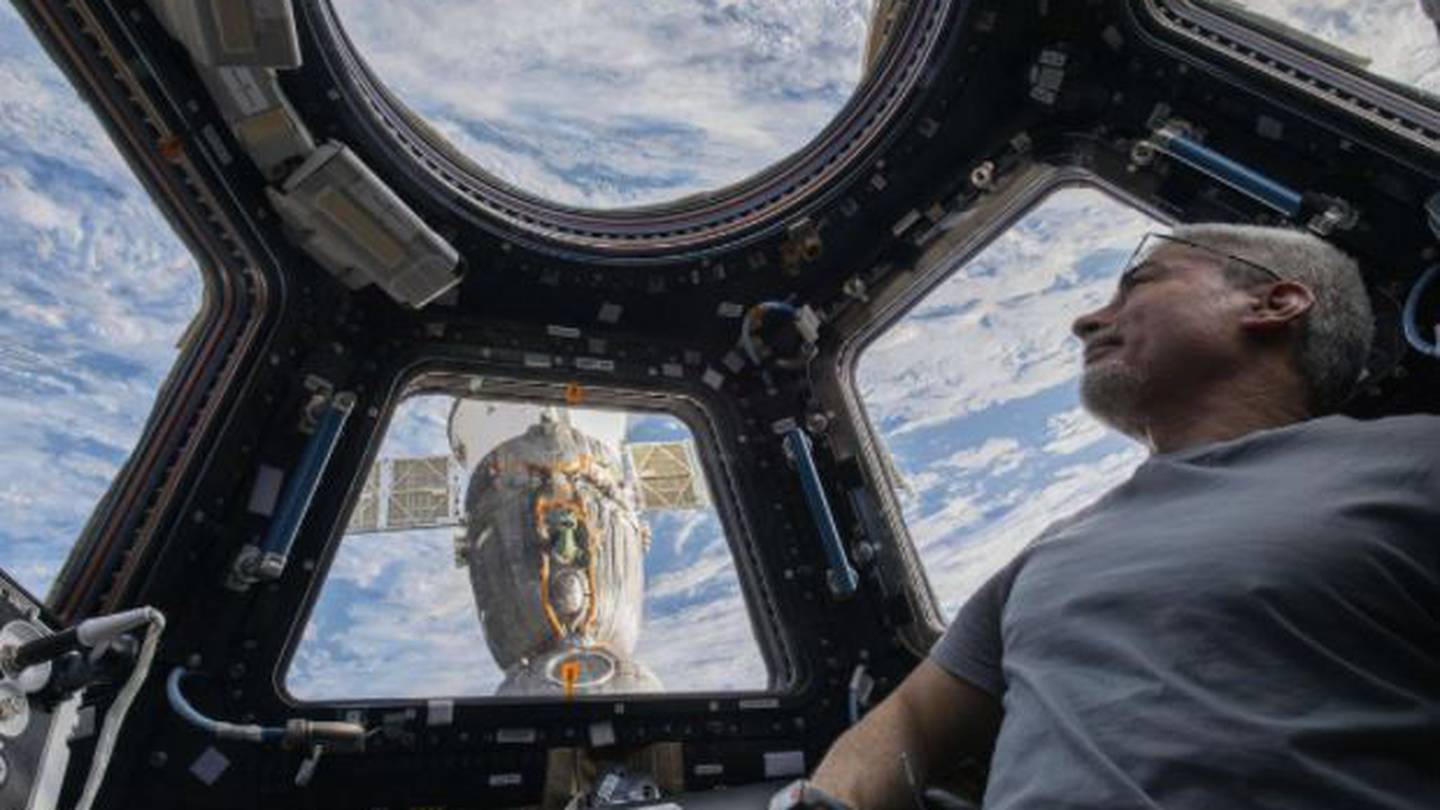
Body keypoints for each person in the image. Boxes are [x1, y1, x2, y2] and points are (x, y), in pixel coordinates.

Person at [785, 224, 1440, 809]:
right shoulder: (1050, 554)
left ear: (1274, 302)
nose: (1087, 320)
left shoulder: (1416, 460)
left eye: (1138, 285)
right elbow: (909, 724)